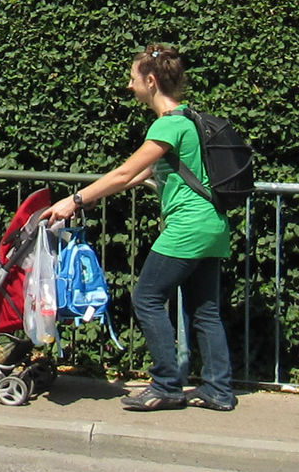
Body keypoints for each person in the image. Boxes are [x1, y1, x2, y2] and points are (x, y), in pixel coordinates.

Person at [44, 43, 237, 412]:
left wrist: (75, 201)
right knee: (205, 310)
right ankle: (218, 389)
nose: (129, 85)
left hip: (187, 226)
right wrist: (103, 193)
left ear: (151, 81)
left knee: (147, 298)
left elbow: (125, 171)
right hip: (214, 225)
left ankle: (166, 384)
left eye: (133, 79)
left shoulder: (168, 125)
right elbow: (151, 171)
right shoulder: (191, 120)